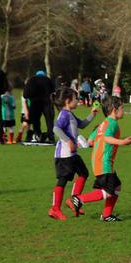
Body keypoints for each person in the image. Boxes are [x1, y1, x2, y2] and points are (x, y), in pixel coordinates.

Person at [71, 96, 131, 222]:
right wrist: (122, 142)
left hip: (101, 161)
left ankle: (106, 215)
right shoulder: (112, 124)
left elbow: (90, 140)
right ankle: (79, 199)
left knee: (116, 187)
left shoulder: (103, 123)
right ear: (114, 109)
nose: (123, 110)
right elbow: (106, 138)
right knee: (108, 192)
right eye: (122, 107)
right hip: (103, 163)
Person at [49, 88, 98, 220]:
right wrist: (69, 141)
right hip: (64, 154)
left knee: (84, 173)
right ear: (67, 101)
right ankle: (55, 209)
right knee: (63, 180)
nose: (78, 101)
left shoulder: (70, 114)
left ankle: (73, 200)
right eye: (76, 98)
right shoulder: (64, 114)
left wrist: (92, 114)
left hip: (73, 154)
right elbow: (56, 128)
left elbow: (81, 124)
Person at [23, 70, 56, 143]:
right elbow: (53, 92)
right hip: (46, 103)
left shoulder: (31, 80)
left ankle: (38, 135)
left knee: (36, 121)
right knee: (49, 121)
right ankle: (51, 137)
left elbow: (25, 95)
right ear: (44, 75)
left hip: (35, 103)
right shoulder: (48, 80)